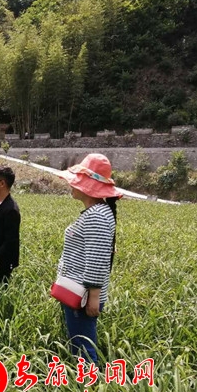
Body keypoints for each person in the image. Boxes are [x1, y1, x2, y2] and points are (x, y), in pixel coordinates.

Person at [56, 153, 122, 365]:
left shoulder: (97, 216)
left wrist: (93, 296)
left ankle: (89, 383)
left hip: (82, 295)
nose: (71, 185)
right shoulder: (96, 212)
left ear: (88, 186)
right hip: (78, 290)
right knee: (79, 342)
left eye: (77, 181)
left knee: (83, 349)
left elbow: (96, 259)